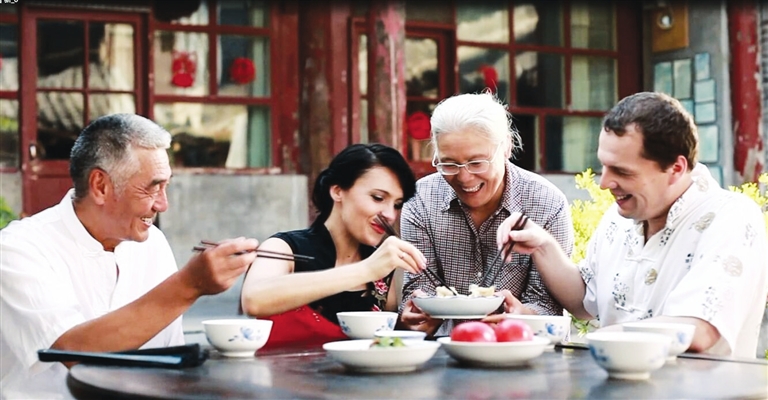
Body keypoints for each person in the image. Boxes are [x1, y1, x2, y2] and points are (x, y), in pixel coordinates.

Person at [0, 114, 259, 399]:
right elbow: (72, 352)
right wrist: (190, 284)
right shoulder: (18, 248)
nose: (163, 204)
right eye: (152, 187)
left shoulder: (152, 244)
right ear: (100, 186)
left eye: (166, 186)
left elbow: (171, 358)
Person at [497, 92, 768, 358]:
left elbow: (697, 330)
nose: (603, 183)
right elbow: (584, 301)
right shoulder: (621, 215)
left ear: (676, 168)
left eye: (622, 171)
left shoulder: (731, 217)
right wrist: (542, 246)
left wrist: (599, 338)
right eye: (603, 166)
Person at [399, 92, 575, 337]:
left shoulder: (545, 202)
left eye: (477, 162)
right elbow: (418, 287)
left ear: (506, 148)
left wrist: (521, 314)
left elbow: (547, 304)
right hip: (442, 349)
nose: (464, 177)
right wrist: (416, 312)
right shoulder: (420, 200)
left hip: (519, 347)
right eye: (449, 164)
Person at [240, 143, 426, 348]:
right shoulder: (284, 247)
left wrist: (408, 326)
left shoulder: (381, 270)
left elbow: (377, 345)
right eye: (378, 198)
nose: (390, 214)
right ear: (337, 191)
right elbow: (253, 300)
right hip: (284, 377)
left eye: (397, 204)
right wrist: (366, 270)